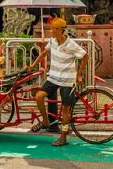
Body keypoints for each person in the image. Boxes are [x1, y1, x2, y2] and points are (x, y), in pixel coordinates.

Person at [27, 16, 89, 146]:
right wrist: (33, 65)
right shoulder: (53, 41)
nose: (51, 31)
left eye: (53, 29)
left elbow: (85, 56)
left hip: (67, 79)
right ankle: (45, 121)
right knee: (39, 96)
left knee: (66, 109)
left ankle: (63, 137)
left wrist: (79, 75)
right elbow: (44, 53)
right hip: (53, 77)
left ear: (61, 30)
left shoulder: (71, 44)